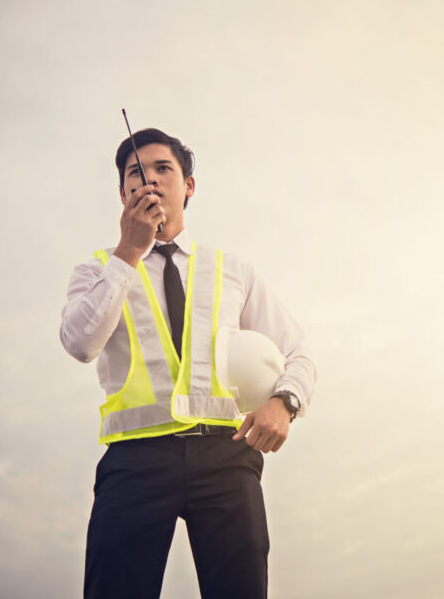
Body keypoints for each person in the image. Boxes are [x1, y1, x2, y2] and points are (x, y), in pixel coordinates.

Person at [60, 128, 315, 599]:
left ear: (189, 185)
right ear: (123, 193)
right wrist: (129, 252)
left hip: (226, 456)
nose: (150, 181)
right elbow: (79, 342)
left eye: (163, 169)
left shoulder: (233, 270)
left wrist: (285, 403)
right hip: (135, 462)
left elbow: (297, 351)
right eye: (136, 173)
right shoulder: (98, 269)